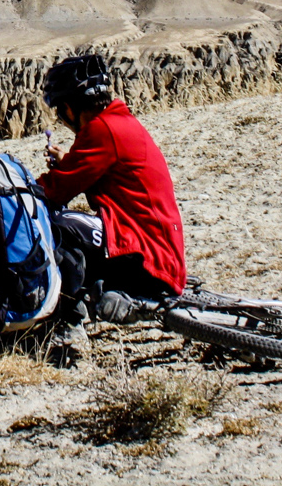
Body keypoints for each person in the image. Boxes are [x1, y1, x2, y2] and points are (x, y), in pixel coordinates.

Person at [38, 54, 186, 349]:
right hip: (157, 247)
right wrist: (68, 162)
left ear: (69, 107)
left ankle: (68, 325)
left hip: (146, 252)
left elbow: (57, 190)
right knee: (76, 225)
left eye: (60, 111)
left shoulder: (101, 129)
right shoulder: (118, 122)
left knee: (59, 226)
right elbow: (93, 171)